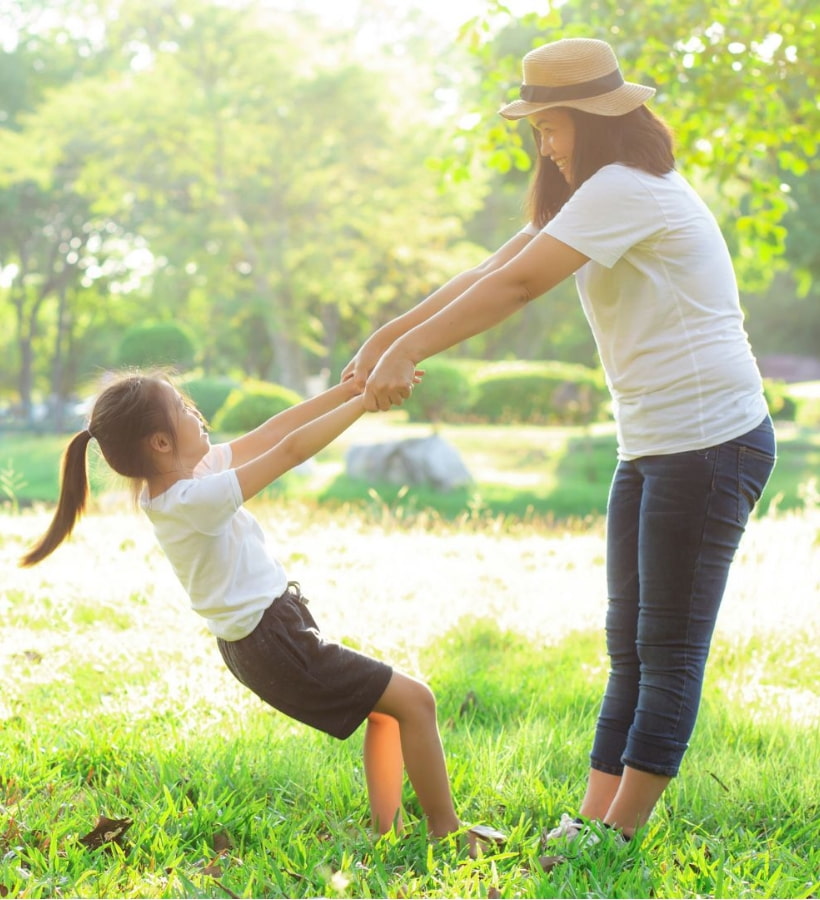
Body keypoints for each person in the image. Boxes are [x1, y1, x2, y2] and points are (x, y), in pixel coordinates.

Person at [343, 37, 776, 845]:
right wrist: (387, 336)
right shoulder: (598, 193)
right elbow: (494, 264)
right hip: (653, 443)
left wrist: (409, 353)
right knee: (629, 647)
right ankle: (591, 821)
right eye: (535, 127)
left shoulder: (627, 188)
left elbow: (516, 286)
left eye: (550, 125)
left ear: (592, 120)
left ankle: (616, 837)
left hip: (711, 442)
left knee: (666, 647)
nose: (542, 142)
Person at [20, 370, 504, 853]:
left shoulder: (189, 476)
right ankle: (448, 831)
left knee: (389, 713)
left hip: (267, 636)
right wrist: (366, 404)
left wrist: (352, 390)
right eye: (184, 408)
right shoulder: (190, 500)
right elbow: (289, 452)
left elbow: (273, 432)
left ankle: (388, 834)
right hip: (272, 642)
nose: (198, 412)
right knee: (416, 700)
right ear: (162, 442)